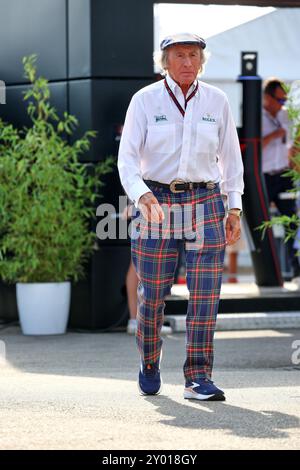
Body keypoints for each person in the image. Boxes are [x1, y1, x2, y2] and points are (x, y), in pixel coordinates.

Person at [118, 33, 244, 401]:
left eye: (193, 55)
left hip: (207, 199)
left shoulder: (217, 101)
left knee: (206, 292)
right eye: (179, 55)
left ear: (202, 61)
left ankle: (198, 376)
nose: (187, 62)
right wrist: (141, 195)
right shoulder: (144, 100)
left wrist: (233, 206)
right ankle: (150, 359)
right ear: (165, 62)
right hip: (156, 200)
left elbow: (230, 159)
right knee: (154, 292)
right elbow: (127, 160)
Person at [262, 78, 300, 281]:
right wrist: (275, 134)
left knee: (291, 222)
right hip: (263, 176)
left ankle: (296, 270)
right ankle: (265, 270)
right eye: (279, 100)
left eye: (285, 101)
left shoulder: (287, 116)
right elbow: (251, 148)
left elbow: (293, 145)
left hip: (284, 175)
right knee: (261, 222)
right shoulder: (256, 116)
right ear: (267, 98)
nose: (282, 105)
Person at [122, 204, 173, 335]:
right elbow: (131, 182)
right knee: (139, 262)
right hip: (146, 204)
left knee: (152, 263)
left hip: (160, 205)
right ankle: (137, 320)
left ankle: (142, 320)